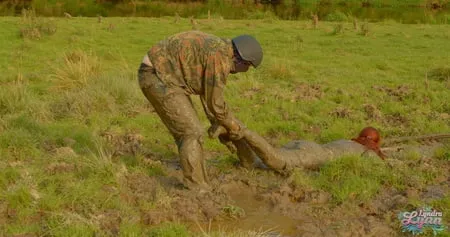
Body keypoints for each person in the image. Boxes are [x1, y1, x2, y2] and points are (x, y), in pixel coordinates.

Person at [138, 31, 263, 189]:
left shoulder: (220, 49)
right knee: (191, 132)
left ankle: (202, 177)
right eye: (247, 67)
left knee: (193, 128)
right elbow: (216, 104)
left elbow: (208, 95)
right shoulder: (220, 58)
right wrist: (233, 126)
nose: (238, 72)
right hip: (156, 75)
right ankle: (197, 188)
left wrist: (220, 124)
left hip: (166, 75)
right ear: (242, 61)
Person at [209, 125, 386, 174]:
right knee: (276, 160)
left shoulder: (346, 141)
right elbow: (375, 165)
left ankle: (232, 135)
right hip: (316, 155)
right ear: (374, 142)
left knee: (254, 163)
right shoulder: (366, 150)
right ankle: (241, 131)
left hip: (308, 145)